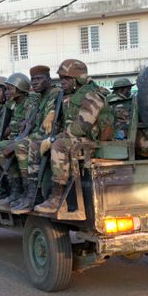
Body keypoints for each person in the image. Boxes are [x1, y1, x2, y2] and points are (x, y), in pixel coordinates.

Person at [34, 59, 113, 214]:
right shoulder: (70, 95)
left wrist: (53, 139)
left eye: (66, 79)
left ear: (78, 79)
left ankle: (56, 199)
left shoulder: (92, 95)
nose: (62, 82)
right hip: (80, 140)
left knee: (59, 144)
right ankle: (34, 192)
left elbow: (82, 126)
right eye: (61, 78)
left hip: (95, 142)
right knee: (36, 145)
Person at [10, 65, 62, 213]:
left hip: (50, 134)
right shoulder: (40, 97)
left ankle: (33, 193)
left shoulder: (55, 92)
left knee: (22, 145)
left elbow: (53, 110)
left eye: (39, 79)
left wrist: (51, 113)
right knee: (13, 144)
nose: (35, 82)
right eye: (33, 79)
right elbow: (32, 118)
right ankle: (26, 192)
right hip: (39, 133)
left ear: (49, 79)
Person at [0, 73, 39, 204]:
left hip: (29, 139)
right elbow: (12, 126)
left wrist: (14, 143)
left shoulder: (29, 103)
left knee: (13, 147)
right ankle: (15, 190)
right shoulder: (15, 104)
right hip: (18, 138)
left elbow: (28, 127)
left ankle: (27, 190)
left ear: (19, 89)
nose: (6, 93)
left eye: (9, 89)